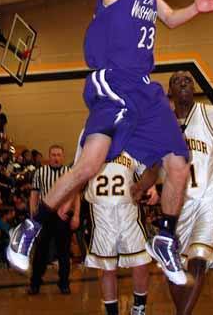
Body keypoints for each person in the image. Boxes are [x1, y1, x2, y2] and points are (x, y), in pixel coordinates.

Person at [8, 0, 213, 285]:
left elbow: (172, 19)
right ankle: (30, 226)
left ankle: (163, 236)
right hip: (114, 82)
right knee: (90, 164)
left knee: (178, 163)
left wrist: (196, 8)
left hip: (144, 87)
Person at [133, 71, 213, 315]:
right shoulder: (162, 124)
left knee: (199, 259)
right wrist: (140, 186)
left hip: (207, 197)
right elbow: (153, 166)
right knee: (174, 267)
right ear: (170, 91)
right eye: (177, 80)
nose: (183, 82)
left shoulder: (212, 113)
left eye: (188, 80)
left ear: (194, 88)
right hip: (177, 205)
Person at [75, 131, 157, 315]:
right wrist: (69, 202)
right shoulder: (89, 133)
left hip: (128, 209)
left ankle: (139, 307)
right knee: (107, 266)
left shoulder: (132, 134)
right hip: (100, 209)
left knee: (141, 261)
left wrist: (150, 186)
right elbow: (77, 172)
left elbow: (145, 169)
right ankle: (112, 311)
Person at [21, 144, 80, 296]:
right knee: (40, 251)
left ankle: (64, 284)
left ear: (63, 156)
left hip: (63, 214)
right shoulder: (40, 172)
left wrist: (76, 215)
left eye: (58, 155)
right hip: (44, 215)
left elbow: (76, 196)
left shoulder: (69, 172)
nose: (55, 157)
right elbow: (34, 195)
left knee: (64, 252)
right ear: (49, 156)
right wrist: (33, 215)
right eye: (53, 155)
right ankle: (35, 284)